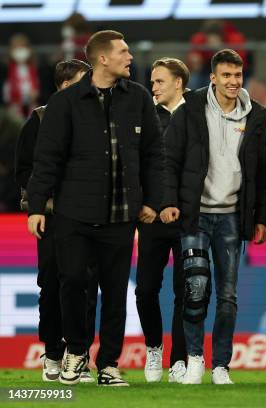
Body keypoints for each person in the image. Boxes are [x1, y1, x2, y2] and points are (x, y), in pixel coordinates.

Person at [26, 30, 163, 386]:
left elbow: (153, 154)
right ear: (103, 58)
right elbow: (47, 158)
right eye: (123, 51)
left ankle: (109, 364)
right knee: (71, 283)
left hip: (121, 215)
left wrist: (152, 200)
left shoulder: (139, 98)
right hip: (73, 213)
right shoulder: (66, 102)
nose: (130, 57)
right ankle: (75, 351)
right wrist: (37, 206)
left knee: (116, 290)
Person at [160, 49, 266, 386]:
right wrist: (169, 200)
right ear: (212, 77)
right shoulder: (191, 109)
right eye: (225, 75)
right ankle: (195, 358)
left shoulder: (255, 115)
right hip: (196, 215)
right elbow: (169, 159)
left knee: (228, 295)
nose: (232, 81)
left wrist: (263, 218)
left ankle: (221, 365)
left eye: (237, 76)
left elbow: (264, 172)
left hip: (231, 218)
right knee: (196, 289)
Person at [15, 59, 100, 384]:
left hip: (87, 215)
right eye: (82, 82)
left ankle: (78, 356)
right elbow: (23, 169)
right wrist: (45, 198)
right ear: (64, 86)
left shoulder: (95, 119)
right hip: (51, 217)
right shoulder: (39, 119)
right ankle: (52, 352)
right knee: (51, 286)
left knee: (85, 287)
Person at [136, 57, 190, 384]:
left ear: (178, 83)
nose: (153, 87)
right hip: (152, 218)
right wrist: (143, 204)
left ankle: (179, 359)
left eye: (159, 81)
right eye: (153, 82)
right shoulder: (146, 118)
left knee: (186, 292)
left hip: (185, 218)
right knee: (145, 290)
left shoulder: (196, 115)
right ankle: (154, 347)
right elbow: (139, 164)